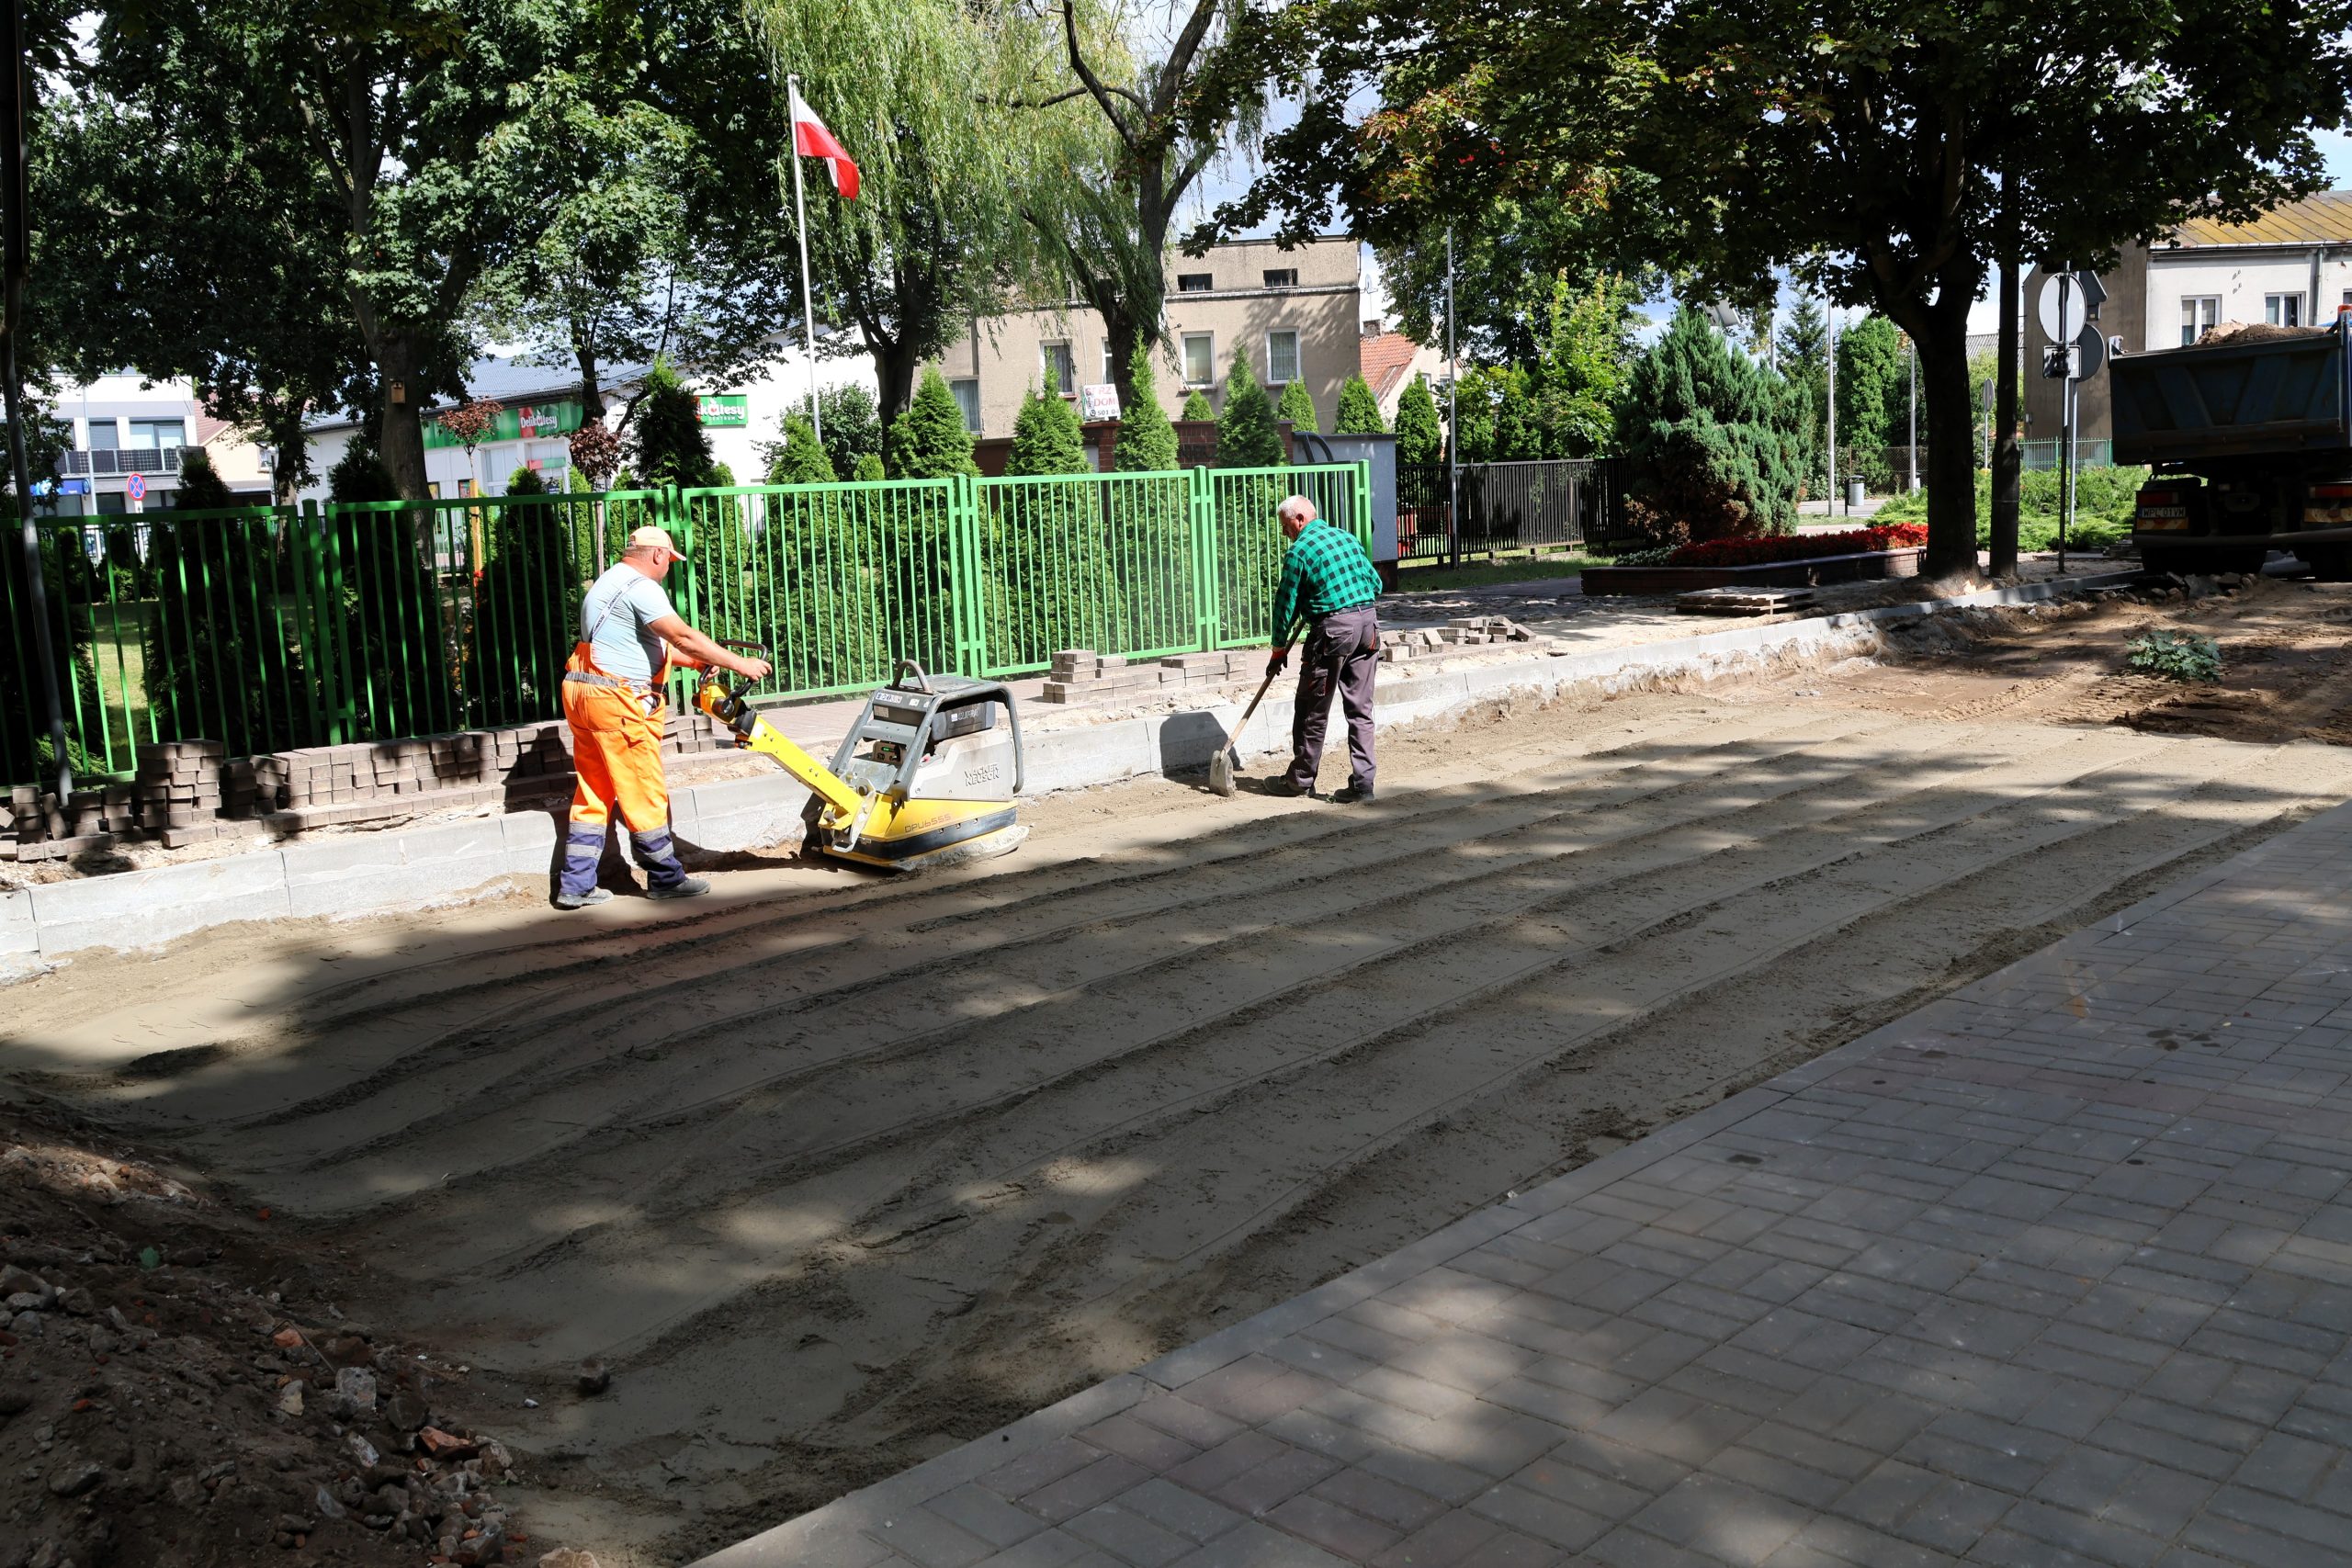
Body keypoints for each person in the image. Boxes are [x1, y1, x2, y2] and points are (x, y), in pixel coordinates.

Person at [555, 525, 772, 909]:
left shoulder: (609, 581)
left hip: (584, 692)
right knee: (644, 789)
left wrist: (701, 660)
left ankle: (576, 884)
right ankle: (665, 878)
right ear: (658, 555)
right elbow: (680, 636)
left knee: (594, 790)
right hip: (616, 701)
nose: (668, 568)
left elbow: (638, 645)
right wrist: (740, 663)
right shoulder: (642, 586)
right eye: (669, 561)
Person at [1265, 494, 1383, 803]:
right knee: (1361, 710)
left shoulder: (1299, 552)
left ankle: (1300, 780)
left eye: (1285, 525)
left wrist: (1278, 649)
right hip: (1368, 627)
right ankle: (1363, 786)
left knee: (1311, 709)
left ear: (1300, 519)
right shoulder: (1347, 538)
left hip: (1332, 633)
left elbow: (1285, 605)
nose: (1284, 533)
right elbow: (1376, 585)